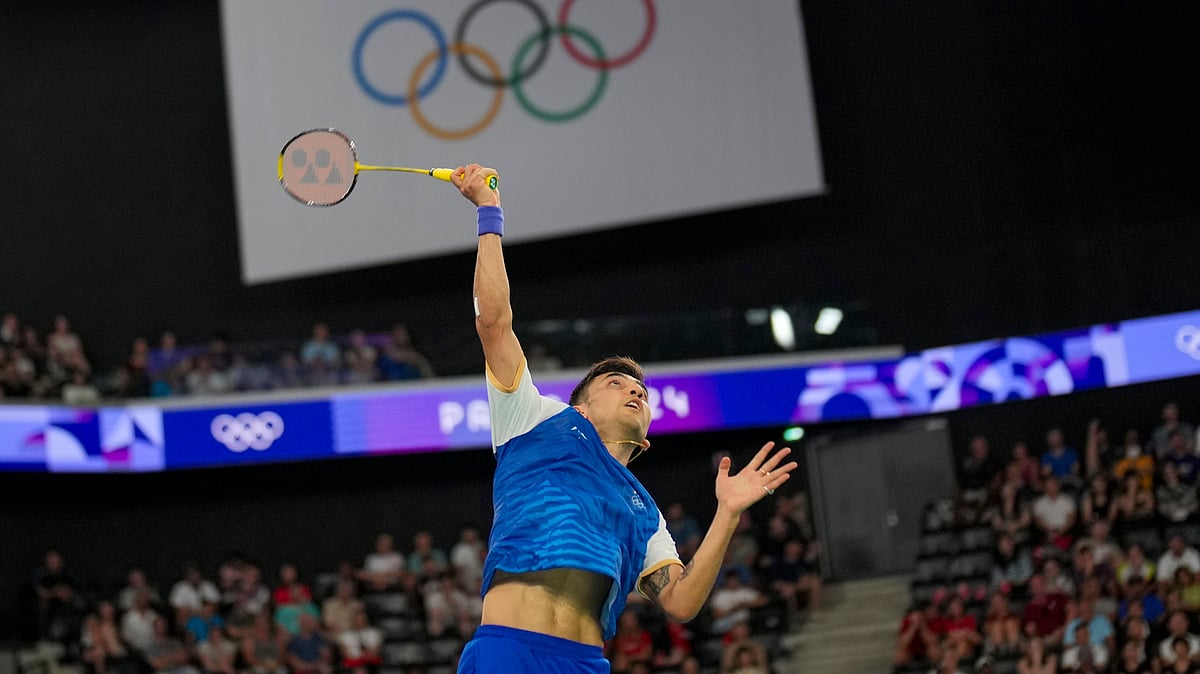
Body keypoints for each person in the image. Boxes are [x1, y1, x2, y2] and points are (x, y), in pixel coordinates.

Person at [448, 164, 796, 673]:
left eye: (641, 391)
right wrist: (488, 212)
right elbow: (493, 321)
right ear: (581, 408)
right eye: (616, 384)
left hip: (585, 663)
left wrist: (728, 514)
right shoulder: (533, 420)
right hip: (509, 651)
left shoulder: (643, 513)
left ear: (649, 438)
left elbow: (680, 603)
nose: (634, 390)